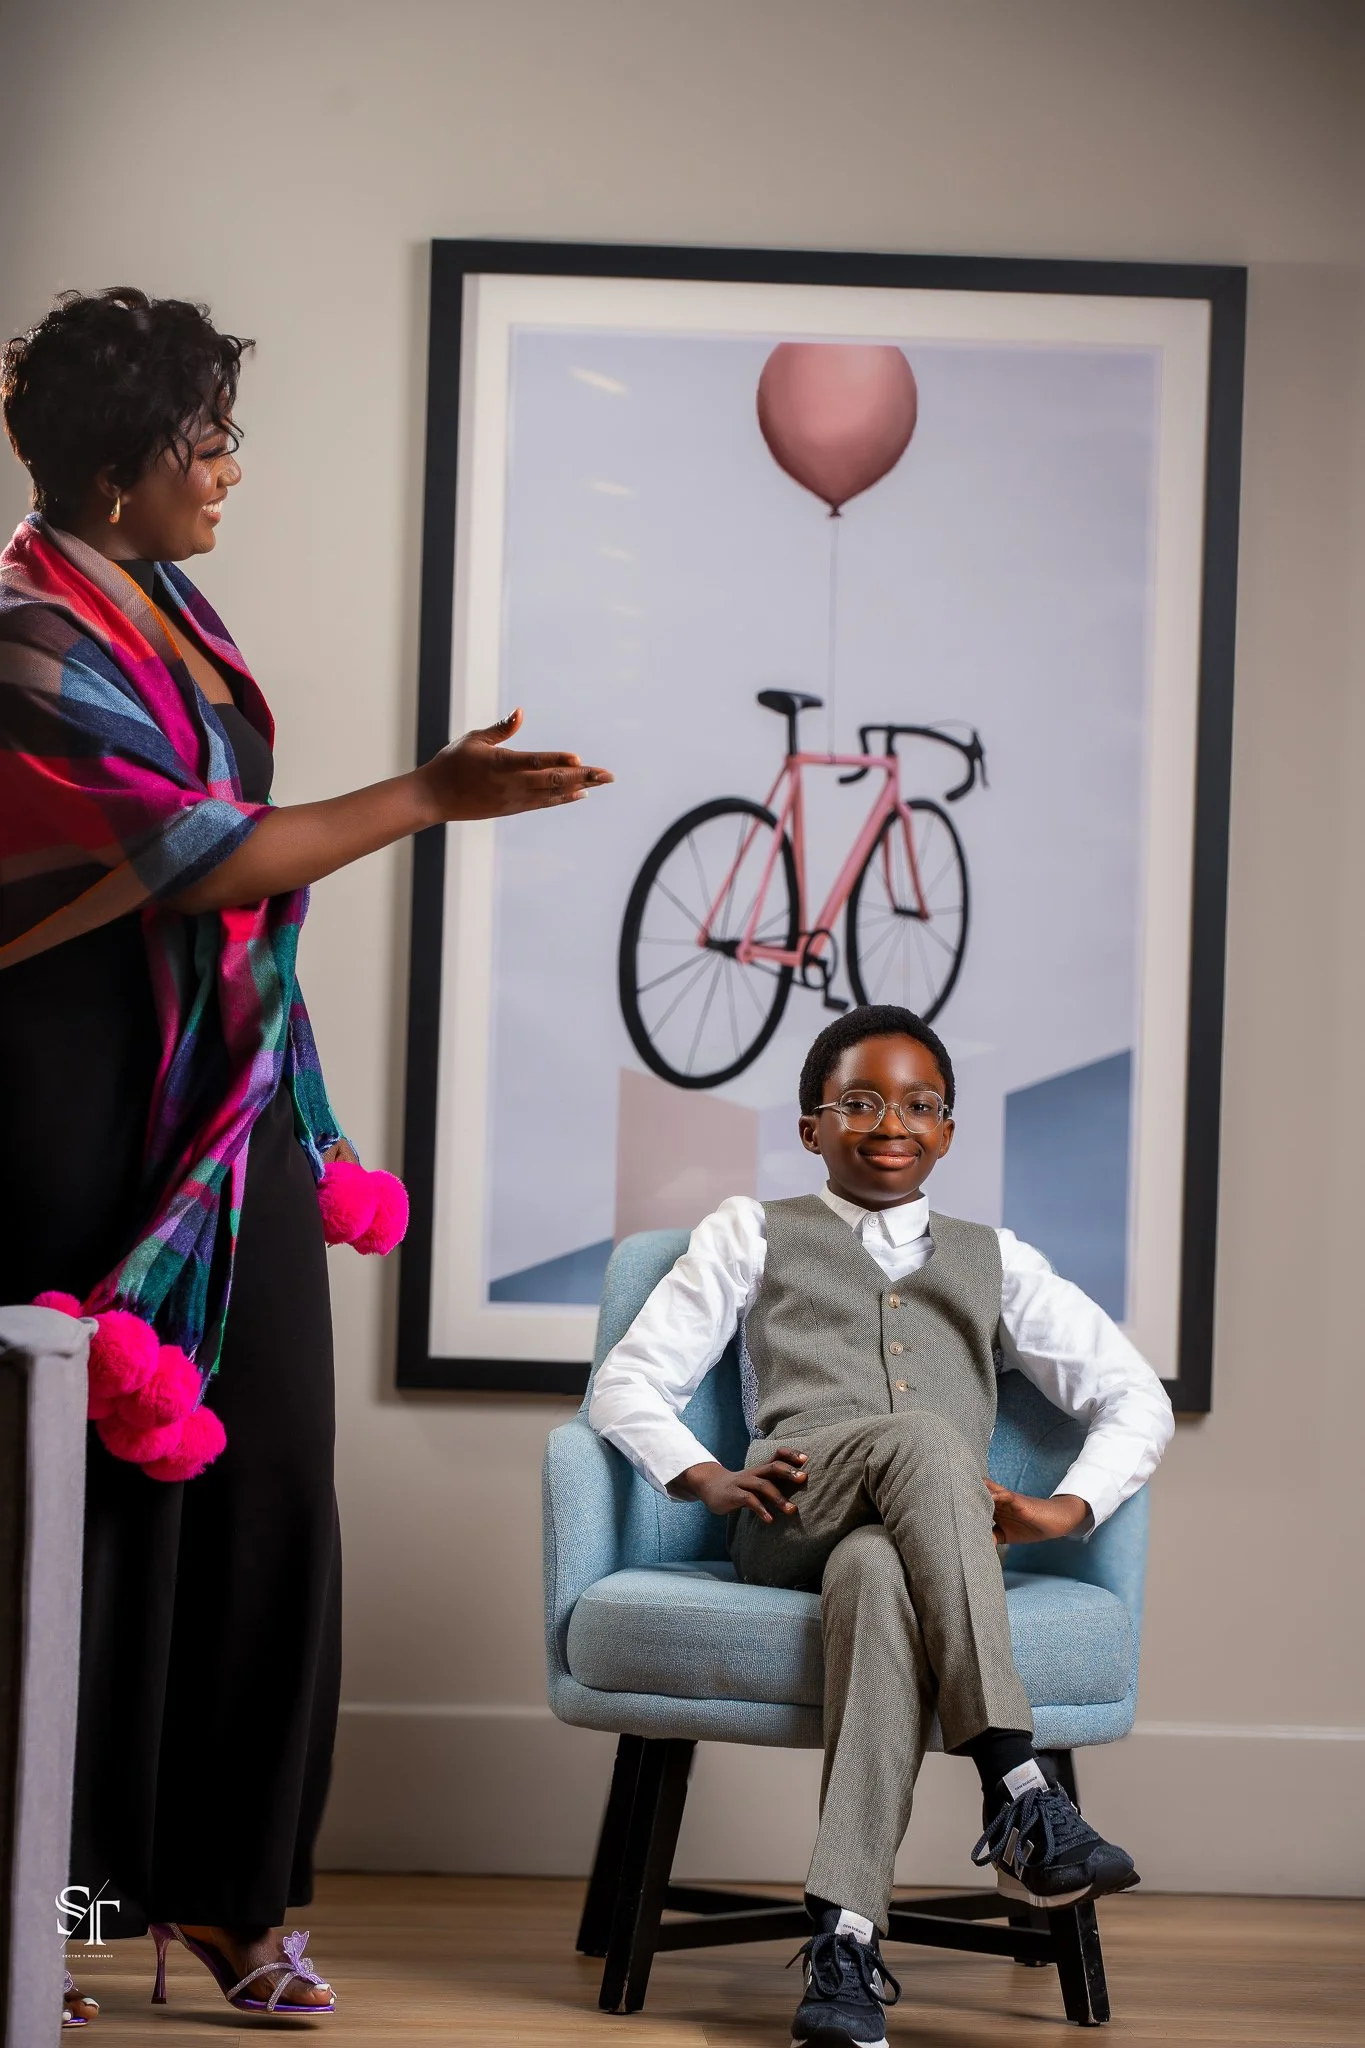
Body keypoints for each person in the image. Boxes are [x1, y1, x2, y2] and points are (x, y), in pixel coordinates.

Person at [0, 285, 611, 2028]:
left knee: (271, 1484)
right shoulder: (24, 642)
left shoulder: (169, 611)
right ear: (114, 471)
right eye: (205, 441)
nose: (229, 470)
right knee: (77, 1518)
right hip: (72, 1112)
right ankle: (48, 1902)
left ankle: (233, 1896)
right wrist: (424, 797)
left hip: (232, 1106)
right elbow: (201, 855)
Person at [589, 1003, 1174, 2048]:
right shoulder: (750, 1230)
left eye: (918, 1104)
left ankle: (845, 1942)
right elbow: (627, 1381)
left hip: (903, 1543)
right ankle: (1017, 1783)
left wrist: (1065, 1506)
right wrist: (705, 1477)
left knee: (877, 1571)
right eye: (858, 1101)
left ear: (947, 1130)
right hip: (790, 1514)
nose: (890, 1122)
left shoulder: (999, 1260)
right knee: (929, 1440)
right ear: (811, 1126)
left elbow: (1133, 1394)